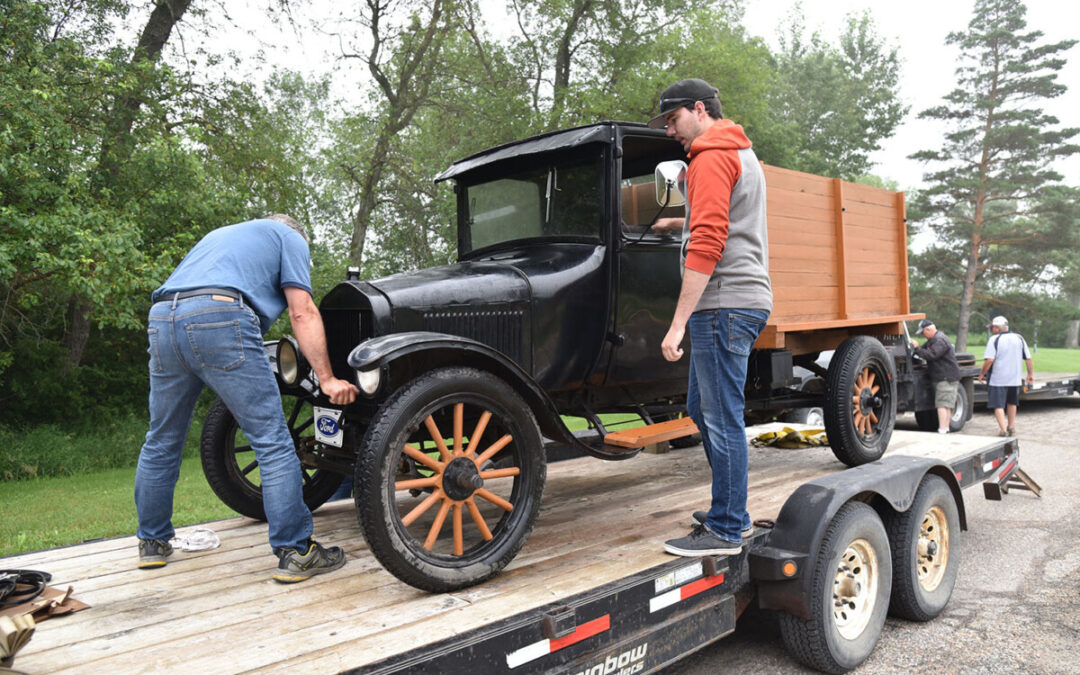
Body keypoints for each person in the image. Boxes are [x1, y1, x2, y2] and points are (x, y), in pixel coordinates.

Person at [134, 214, 359, 582]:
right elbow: (302, 311)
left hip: (162, 318)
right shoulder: (290, 237)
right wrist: (328, 378)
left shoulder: (222, 235)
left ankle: (152, 543)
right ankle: (296, 552)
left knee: (161, 439)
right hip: (219, 314)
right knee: (271, 440)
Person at [647, 79, 773, 557]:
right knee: (705, 409)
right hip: (741, 299)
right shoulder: (738, 152)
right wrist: (679, 218)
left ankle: (724, 528)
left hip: (722, 302)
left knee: (720, 417)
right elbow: (729, 218)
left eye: (673, 120)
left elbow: (710, 242)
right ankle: (731, 509)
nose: (670, 132)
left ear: (699, 110)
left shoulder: (711, 155)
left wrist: (677, 322)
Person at [978, 315, 1034, 436]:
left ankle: (1003, 430)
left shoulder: (994, 339)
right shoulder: (1019, 338)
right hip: (1015, 379)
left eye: (993, 327)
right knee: (1012, 403)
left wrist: (982, 374)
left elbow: (989, 360)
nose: (992, 329)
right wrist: (1030, 374)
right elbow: (1028, 358)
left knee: (998, 404)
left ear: (998, 328)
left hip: (997, 379)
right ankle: (1011, 427)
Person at [909, 318, 961, 434]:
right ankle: (946, 428)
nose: (922, 335)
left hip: (945, 377)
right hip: (948, 376)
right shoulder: (935, 339)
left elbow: (932, 355)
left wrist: (916, 349)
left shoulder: (939, 340)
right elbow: (925, 349)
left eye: (923, 332)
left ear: (928, 329)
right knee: (946, 404)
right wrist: (917, 348)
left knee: (942, 405)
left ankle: (942, 429)